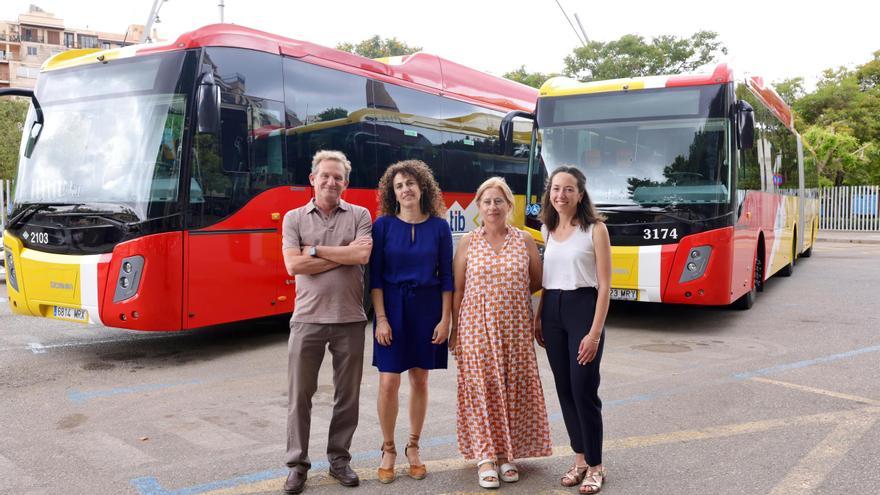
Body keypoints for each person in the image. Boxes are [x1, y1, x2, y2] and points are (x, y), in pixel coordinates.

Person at [280, 150, 373, 494]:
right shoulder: (293, 218)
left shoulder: (360, 214)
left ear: (345, 183)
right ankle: (297, 465)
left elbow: (362, 255)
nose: (332, 182)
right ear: (313, 180)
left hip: (350, 319)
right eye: (326, 176)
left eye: (338, 177)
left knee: (346, 396)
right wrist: (340, 253)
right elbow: (293, 266)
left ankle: (339, 460)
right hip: (306, 320)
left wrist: (315, 251)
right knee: (299, 395)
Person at [450, 177, 552, 489]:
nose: (493, 207)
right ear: (478, 207)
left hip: (516, 329)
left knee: (512, 390)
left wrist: (511, 301)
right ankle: (485, 457)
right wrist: (455, 331)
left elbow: (536, 281)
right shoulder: (469, 242)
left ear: (509, 205)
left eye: (499, 201)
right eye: (487, 202)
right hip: (476, 328)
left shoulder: (523, 240)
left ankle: (507, 454)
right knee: (481, 391)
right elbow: (457, 289)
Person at [369, 160, 453, 483]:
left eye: (410, 183)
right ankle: (388, 448)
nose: (405, 189)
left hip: (428, 308)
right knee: (389, 381)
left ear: (423, 188)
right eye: (399, 185)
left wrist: (446, 319)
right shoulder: (383, 226)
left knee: (420, 380)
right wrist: (381, 319)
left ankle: (413, 447)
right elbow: (375, 278)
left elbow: (446, 277)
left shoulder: (440, 228)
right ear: (393, 192)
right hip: (391, 307)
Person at [534, 166, 611, 494]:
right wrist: (538, 316)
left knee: (583, 390)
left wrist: (594, 334)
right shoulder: (548, 228)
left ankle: (596, 466)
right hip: (552, 310)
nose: (560, 195)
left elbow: (606, 286)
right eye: (555, 189)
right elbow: (548, 279)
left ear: (580, 194)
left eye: (568, 189)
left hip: (583, 309)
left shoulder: (595, 229)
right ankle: (579, 460)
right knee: (565, 390)